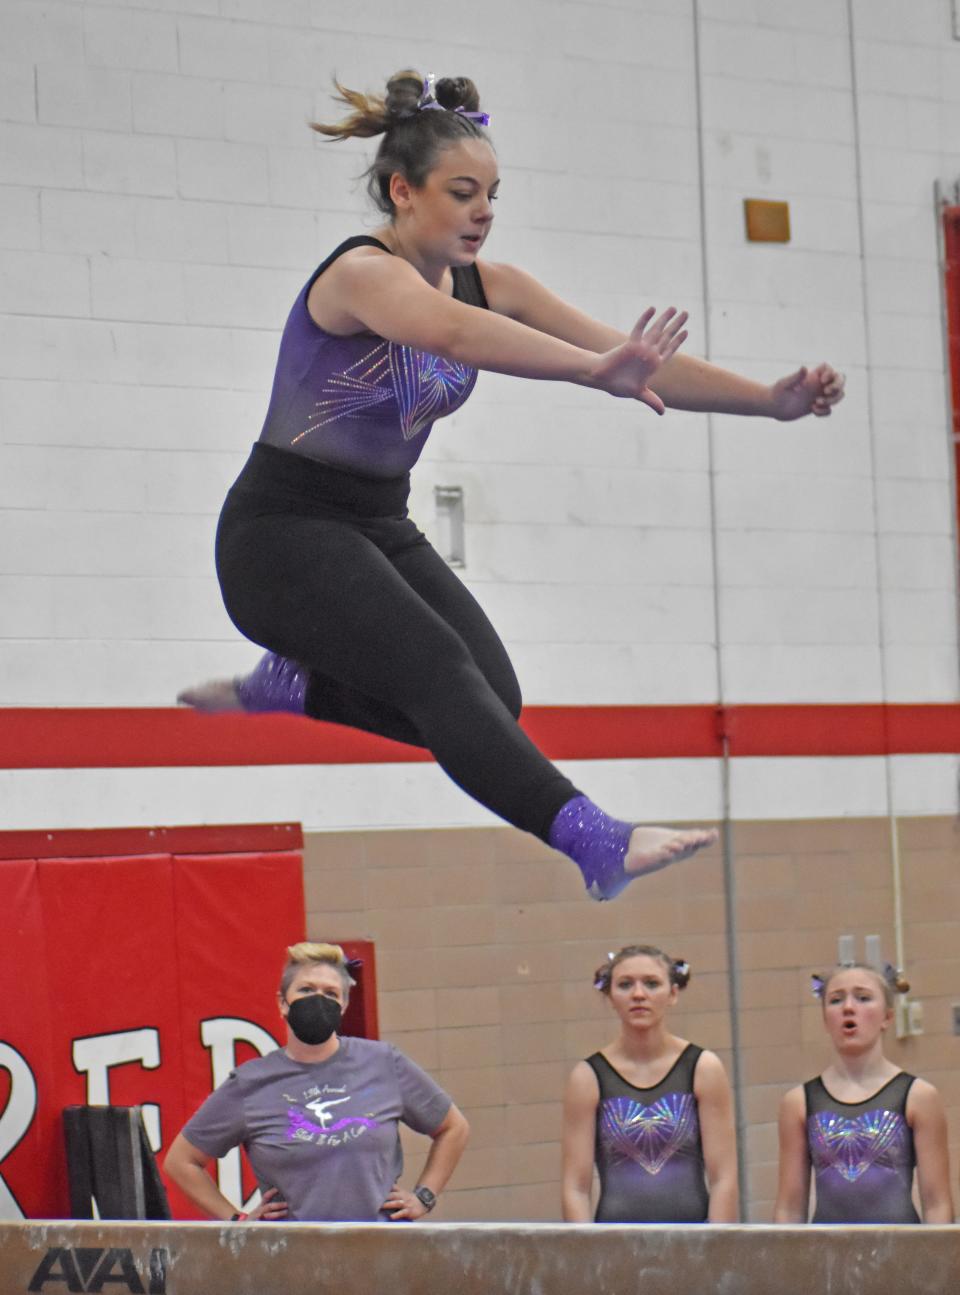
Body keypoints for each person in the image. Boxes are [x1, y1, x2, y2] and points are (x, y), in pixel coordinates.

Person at [182, 69, 844, 903]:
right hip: (279, 535)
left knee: (496, 697)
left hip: (377, 525)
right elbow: (453, 332)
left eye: (493, 193)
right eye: (463, 192)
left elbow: (639, 361)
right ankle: (593, 837)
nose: (484, 211)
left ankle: (298, 684)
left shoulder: (494, 282)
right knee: (437, 671)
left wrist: (769, 402)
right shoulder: (362, 274)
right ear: (402, 190)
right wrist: (592, 372)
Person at [163, 942, 469, 1222]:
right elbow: (181, 1161)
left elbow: (454, 1128)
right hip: (294, 1262)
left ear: (343, 1006)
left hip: (381, 1252)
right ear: (283, 1003)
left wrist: (424, 1197)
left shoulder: (383, 1063)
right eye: (306, 990)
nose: (318, 1000)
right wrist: (237, 1221)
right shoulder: (251, 1083)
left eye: (330, 994)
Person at [561, 944, 738, 1222]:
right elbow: (576, 1187)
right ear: (609, 997)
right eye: (625, 984)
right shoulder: (588, 1077)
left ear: (673, 993)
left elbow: (723, 1177)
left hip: (693, 1244)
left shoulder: (703, 1068)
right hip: (614, 1247)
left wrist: (716, 1252)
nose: (639, 994)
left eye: (652, 984)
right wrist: (586, 1257)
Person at [774, 963, 954, 1224]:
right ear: (825, 1019)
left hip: (902, 1256)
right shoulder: (799, 1103)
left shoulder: (918, 1096)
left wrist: (938, 1263)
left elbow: (938, 1203)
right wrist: (785, 1263)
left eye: (863, 998)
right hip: (826, 1258)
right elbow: (789, 1207)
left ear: (887, 1017)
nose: (848, 1007)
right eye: (836, 1000)